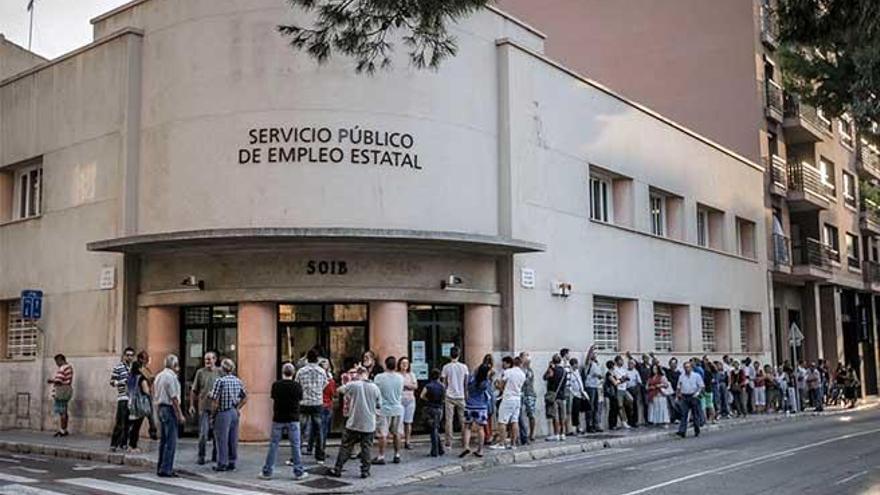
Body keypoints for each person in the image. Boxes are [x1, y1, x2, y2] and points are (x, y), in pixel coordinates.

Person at [328, 367, 381, 479]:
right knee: (366, 448)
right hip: (369, 424)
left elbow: (339, 390)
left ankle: (338, 469)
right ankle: (365, 471)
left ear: (358, 374)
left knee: (346, 446)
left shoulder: (354, 385)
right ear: (367, 374)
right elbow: (379, 405)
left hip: (353, 422)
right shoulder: (375, 388)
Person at [260, 363, 308, 481]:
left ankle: (267, 471)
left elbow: (274, 398)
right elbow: (300, 399)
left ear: (282, 372)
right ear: (293, 373)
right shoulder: (297, 386)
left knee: (273, 445)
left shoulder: (276, 385)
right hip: (293, 418)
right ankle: (298, 472)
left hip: (278, 418)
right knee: (295, 446)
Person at [210, 358, 248, 471]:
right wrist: (238, 407)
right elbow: (245, 397)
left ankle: (222, 462)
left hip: (223, 411)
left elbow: (215, 400)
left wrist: (213, 414)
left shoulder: (220, 381)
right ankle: (232, 461)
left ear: (223, 368)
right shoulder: (238, 381)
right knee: (233, 438)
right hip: (234, 411)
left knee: (222, 439)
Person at [154, 354, 185, 477]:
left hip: (161, 407)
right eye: (177, 364)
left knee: (164, 440)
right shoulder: (170, 377)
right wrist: (180, 414)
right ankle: (167, 469)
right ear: (174, 365)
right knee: (171, 441)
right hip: (169, 408)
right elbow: (174, 398)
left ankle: (161, 466)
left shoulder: (159, 376)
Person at [296, 349, 328, 463]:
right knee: (319, 430)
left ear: (307, 359)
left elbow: (297, 385)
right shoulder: (322, 371)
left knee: (300, 430)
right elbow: (325, 383)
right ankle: (320, 456)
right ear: (317, 359)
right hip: (317, 402)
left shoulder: (301, 371)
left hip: (304, 402)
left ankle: (296, 455)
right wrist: (317, 391)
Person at [190, 351, 221, 465]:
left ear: (215, 359)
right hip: (204, 407)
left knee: (217, 433)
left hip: (217, 407)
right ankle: (201, 455)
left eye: (210, 359)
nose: (208, 361)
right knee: (203, 433)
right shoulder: (200, 372)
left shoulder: (220, 372)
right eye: (206, 359)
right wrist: (192, 405)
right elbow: (194, 390)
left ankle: (215, 455)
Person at [373, 356, 405, 465]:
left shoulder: (379, 378)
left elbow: (375, 392)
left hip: (384, 409)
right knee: (397, 433)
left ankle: (381, 456)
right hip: (397, 408)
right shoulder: (400, 378)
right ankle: (397, 455)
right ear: (396, 365)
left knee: (383, 434)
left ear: (385, 365)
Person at [491, 355, 525, 449]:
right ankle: (513, 443)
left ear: (513, 363)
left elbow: (502, 386)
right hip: (517, 398)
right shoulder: (522, 374)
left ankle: (502, 443)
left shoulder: (508, 372)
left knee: (502, 421)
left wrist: (497, 384)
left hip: (508, 398)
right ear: (521, 364)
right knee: (515, 421)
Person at [460, 363, 491, 458]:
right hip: (481, 407)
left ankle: (466, 446)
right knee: (480, 428)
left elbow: (465, 386)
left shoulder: (471, 378)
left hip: (470, 405)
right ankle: (480, 450)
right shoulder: (485, 382)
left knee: (467, 427)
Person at [441, 346, 469, 449]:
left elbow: (444, 383)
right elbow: (466, 382)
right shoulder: (464, 367)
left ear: (450, 355)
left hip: (449, 395)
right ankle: (464, 441)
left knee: (449, 420)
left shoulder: (446, 367)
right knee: (463, 420)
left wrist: (444, 394)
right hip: (461, 395)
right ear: (459, 355)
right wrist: (466, 393)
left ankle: (449, 442)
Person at [109, 347, 135, 452]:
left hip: (132, 398)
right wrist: (122, 382)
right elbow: (112, 382)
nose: (129, 357)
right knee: (120, 422)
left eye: (131, 355)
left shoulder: (134, 368)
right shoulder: (118, 367)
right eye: (127, 355)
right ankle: (113, 444)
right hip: (123, 397)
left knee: (129, 423)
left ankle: (124, 443)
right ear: (124, 356)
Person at [126, 361, 152, 453]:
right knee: (137, 426)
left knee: (132, 426)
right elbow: (146, 391)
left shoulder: (130, 378)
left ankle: (129, 445)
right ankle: (133, 446)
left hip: (130, 404)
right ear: (140, 368)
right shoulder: (141, 378)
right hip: (138, 405)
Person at [421, 368, 446, 457]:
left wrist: (428, 399)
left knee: (433, 430)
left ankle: (435, 451)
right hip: (439, 409)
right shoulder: (442, 386)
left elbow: (422, 395)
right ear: (439, 376)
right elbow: (444, 398)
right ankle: (440, 449)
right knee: (435, 428)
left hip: (430, 408)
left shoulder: (428, 386)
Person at [676, 361, 704, 438]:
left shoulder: (696, 376)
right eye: (685, 367)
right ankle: (682, 431)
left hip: (693, 395)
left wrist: (697, 394)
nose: (686, 369)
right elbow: (679, 386)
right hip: (685, 396)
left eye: (688, 367)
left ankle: (697, 429)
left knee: (695, 414)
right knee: (684, 414)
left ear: (691, 368)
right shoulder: (681, 376)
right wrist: (678, 395)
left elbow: (701, 386)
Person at [543, 354, 568, 441]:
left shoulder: (552, 370)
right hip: (562, 395)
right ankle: (563, 433)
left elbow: (545, 377)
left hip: (553, 395)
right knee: (562, 416)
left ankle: (556, 434)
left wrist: (549, 367)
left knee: (555, 416)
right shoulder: (564, 371)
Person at [48, 354, 73, 437]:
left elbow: (59, 381)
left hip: (61, 391)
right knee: (64, 411)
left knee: (62, 412)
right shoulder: (69, 367)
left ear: (60, 360)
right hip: (66, 390)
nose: (57, 364)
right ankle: (64, 429)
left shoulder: (63, 368)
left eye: (57, 362)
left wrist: (51, 381)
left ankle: (62, 430)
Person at [136, 350, 159, 440]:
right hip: (141, 395)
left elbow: (150, 379)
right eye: (145, 358)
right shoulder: (139, 368)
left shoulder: (146, 369)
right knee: (141, 417)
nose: (147, 360)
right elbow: (147, 378)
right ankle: (152, 431)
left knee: (150, 415)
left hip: (147, 394)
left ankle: (153, 431)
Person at [398, 357, 418, 450]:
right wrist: (408, 386)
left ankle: (408, 441)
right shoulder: (397, 375)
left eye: (406, 363)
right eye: (403, 363)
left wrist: (405, 385)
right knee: (399, 422)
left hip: (410, 400)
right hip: (400, 400)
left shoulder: (411, 375)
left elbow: (415, 386)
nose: (405, 365)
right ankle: (399, 441)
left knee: (408, 422)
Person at [582, 347, 604, 433]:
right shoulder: (589, 364)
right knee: (590, 407)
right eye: (594, 354)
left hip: (596, 386)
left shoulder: (596, 364)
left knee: (596, 406)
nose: (595, 355)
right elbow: (587, 359)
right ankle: (589, 425)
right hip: (590, 386)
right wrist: (590, 349)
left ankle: (596, 424)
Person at [518, 351, 538, 444]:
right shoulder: (519, 369)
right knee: (518, 414)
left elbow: (527, 380)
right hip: (520, 393)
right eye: (525, 356)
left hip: (529, 393)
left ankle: (532, 433)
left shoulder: (529, 370)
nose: (527, 358)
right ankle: (521, 433)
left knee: (531, 413)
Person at [567, 357, 589, 435]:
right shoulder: (569, 373)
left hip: (580, 394)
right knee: (574, 412)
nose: (577, 365)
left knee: (579, 411)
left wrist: (582, 392)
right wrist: (573, 393)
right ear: (573, 364)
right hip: (574, 395)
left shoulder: (577, 372)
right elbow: (568, 385)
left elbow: (580, 382)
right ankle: (573, 428)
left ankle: (579, 427)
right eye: (576, 364)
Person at [624, 359, 642, 427]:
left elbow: (639, 382)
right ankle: (629, 421)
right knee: (628, 406)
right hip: (627, 389)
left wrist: (637, 390)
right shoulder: (625, 371)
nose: (630, 365)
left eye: (631, 364)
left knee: (634, 406)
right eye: (629, 363)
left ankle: (635, 421)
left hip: (634, 389)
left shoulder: (636, 372)